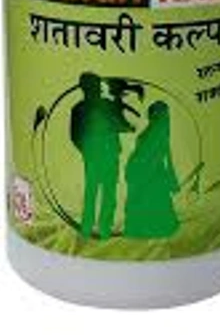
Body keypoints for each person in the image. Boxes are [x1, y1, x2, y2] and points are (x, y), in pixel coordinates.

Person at [70, 72, 135, 239]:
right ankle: (96, 228)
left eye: (98, 87)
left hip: (105, 154)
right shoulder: (84, 108)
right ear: (85, 88)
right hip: (102, 154)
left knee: (100, 190)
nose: (98, 90)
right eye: (95, 87)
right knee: (101, 190)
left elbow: (119, 123)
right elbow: (75, 135)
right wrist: (87, 150)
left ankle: (96, 227)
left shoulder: (85, 107)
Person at [124, 101, 180, 238]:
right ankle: (145, 230)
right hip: (142, 171)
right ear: (154, 116)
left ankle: (148, 229)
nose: (166, 118)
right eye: (163, 115)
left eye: (166, 115)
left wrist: (171, 179)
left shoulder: (158, 131)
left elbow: (165, 157)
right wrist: (170, 180)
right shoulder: (155, 133)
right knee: (149, 198)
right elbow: (156, 159)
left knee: (152, 198)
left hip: (145, 171)